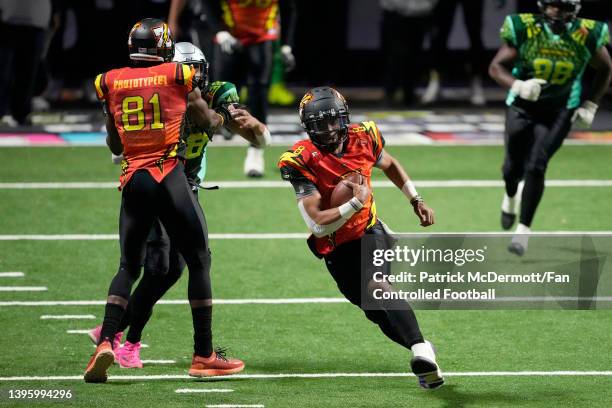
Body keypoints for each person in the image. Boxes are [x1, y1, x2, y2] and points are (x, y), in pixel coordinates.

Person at [88, 41, 271, 369]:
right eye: (188, 70)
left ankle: (109, 334)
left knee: (163, 268)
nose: (193, 76)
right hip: (170, 179)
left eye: (197, 70)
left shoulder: (203, 90)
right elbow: (210, 123)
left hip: (161, 181)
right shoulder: (171, 84)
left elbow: (245, 129)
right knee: (169, 265)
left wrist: (256, 132)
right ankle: (131, 342)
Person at [277, 87, 444, 389]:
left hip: (370, 230)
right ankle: (424, 352)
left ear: (344, 117)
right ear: (308, 127)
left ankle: (420, 348)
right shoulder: (300, 159)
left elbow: (389, 164)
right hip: (335, 246)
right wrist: (353, 202)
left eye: (333, 121)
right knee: (377, 313)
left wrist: (415, 198)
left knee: (378, 286)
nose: (328, 130)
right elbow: (317, 225)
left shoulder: (364, 136)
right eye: (320, 124)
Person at [489, 0, 611, 255]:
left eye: (564, 6)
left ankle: (523, 231)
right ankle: (511, 196)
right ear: (543, 6)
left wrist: (590, 104)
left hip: (559, 108)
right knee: (512, 169)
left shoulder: (585, 33)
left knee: (537, 163)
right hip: (522, 106)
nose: (558, 12)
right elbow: (496, 67)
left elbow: (606, 68)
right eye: (553, 5)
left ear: (575, 8)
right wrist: (519, 85)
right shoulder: (526, 28)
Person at [208, 0, 296, 177]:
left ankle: (255, 152)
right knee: (223, 91)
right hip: (231, 35)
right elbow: (206, 4)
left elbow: (289, 8)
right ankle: (225, 125)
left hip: (262, 37)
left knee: (259, 91)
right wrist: (219, 30)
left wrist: (286, 45)